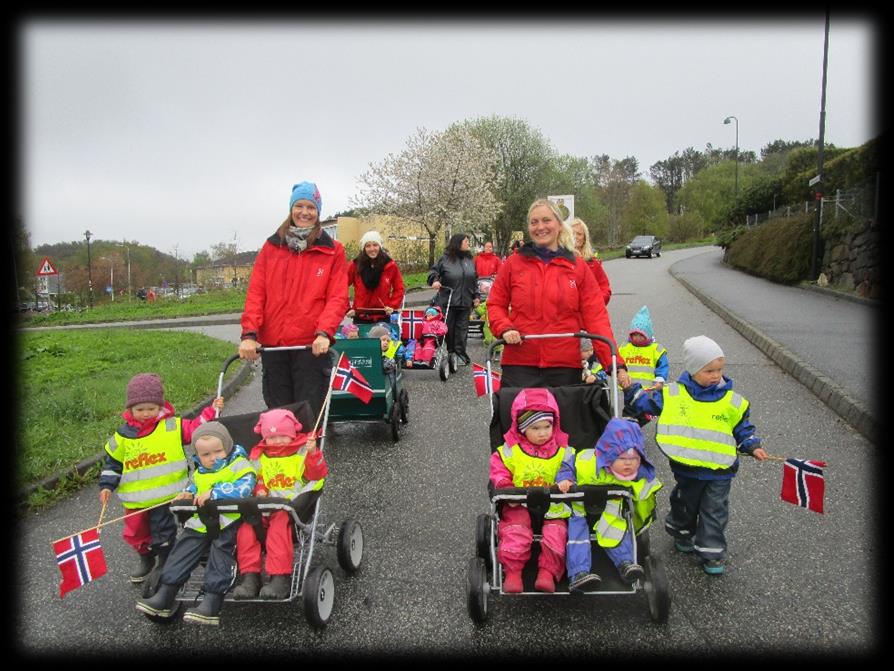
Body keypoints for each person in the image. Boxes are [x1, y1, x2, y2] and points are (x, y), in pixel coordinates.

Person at [623, 335, 768, 575]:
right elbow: (648, 406)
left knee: (714, 510)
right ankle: (681, 530)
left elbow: (742, 427)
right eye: (708, 370)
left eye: (719, 370)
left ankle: (712, 553)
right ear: (691, 370)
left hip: (720, 472)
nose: (715, 375)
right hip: (687, 468)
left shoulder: (732, 402)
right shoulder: (673, 394)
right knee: (685, 503)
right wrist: (630, 390)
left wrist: (752, 445)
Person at [487, 199, 630, 389]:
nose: (540, 227)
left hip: (564, 366)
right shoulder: (513, 264)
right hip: (519, 364)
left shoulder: (578, 267)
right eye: (534, 222)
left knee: (564, 419)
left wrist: (615, 365)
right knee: (520, 418)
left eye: (547, 220)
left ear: (559, 225)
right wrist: (505, 328)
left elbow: (596, 318)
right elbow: (495, 304)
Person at [99, 373, 224, 584]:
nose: (146, 413)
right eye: (140, 409)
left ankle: (165, 563)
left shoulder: (172, 426)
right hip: (136, 501)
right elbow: (112, 464)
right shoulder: (122, 436)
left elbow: (196, 429)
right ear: (130, 410)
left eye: (151, 408)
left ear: (161, 406)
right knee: (136, 535)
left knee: (163, 533)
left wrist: (212, 410)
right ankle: (146, 558)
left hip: (167, 497)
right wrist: (106, 486)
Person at [238, 181, 349, 418]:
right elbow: (256, 293)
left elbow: (338, 297)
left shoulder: (332, 251)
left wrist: (324, 332)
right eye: (299, 206)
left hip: (311, 346)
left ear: (318, 212)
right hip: (274, 345)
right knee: (278, 415)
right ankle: (281, 456)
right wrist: (249, 334)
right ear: (291, 208)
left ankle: (309, 455)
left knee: (309, 413)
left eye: (311, 207)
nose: (305, 212)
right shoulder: (271, 247)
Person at [135, 422, 256, 625]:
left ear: (227, 447)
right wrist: (187, 493)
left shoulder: (240, 464)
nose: (213, 458)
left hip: (230, 520)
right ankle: (166, 592)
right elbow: (193, 487)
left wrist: (216, 492)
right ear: (198, 456)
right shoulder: (200, 472)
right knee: (183, 549)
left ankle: (212, 601)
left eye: (218, 451)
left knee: (220, 552)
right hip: (201, 522)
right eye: (206, 455)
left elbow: (246, 488)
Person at [232, 408, 327, 600]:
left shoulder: (302, 452)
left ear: (292, 434)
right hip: (263, 507)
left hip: (292, 508)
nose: (277, 441)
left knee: (278, 527)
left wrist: (313, 454)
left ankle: (279, 577)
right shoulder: (260, 456)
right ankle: (250, 577)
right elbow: (253, 477)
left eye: (283, 436)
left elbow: (316, 475)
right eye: (272, 437)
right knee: (245, 529)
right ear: (264, 438)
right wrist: (258, 489)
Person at [489, 388, 575, 593]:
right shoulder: (511, 451)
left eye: (547, 426)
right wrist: (505, 486)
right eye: (535, 428)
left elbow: (569, 468)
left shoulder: (563, 451)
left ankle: (547, 572)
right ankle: (513, 572)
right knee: (515, 531)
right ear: (522, 428)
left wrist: (566, 480)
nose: (543, 432)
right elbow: (499, 469)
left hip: (552, 502)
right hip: (519, 502)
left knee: (557, 532)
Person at [566, 418, 663, 592]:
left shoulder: (637, 474)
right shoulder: (586, 462)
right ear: (609, 456)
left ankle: (625, 563)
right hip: (579, 507)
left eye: (634, 459)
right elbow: (568, 466)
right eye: (623, 458)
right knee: (577, 536)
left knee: (617, 528)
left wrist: (640, 523)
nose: (628, 463)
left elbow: (646, 496)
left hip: (611, 507)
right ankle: (579, 573)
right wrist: (564, 480)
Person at [428, 233, 478, 366]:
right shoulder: (444, 259)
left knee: (462, 330)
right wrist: (434, 280)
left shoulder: (469, 260)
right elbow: (433, 272)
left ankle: (460, 354)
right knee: (448, 330)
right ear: (457, 243)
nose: (468, 244)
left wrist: (476, 296)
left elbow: (474, 280)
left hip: (465, 302)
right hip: (448, 301)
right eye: (466, 241)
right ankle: (450, 353)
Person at [347, 230, 406, 325]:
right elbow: (340, 286)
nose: (372, 249)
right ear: (363, 248)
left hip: (383, 317)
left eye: (375, 245)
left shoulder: (390, 265)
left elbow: (399, 288)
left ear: (380, 246)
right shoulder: (355, 265)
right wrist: (347, 308)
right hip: (360, 317)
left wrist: (392, 305)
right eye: (368, 246)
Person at [618, 305, 669, 391]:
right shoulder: (624, 347)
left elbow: (662, 366)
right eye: (634, 335)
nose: (637, 338)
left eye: (641, 335)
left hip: (649, 390)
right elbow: (615, 361)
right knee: (629, 404)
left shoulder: (656, 349)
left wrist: (660, 380)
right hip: (628, 387)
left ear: (648, 335)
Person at [571, 217, 612, 306]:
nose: (575, 237)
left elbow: (604, 288)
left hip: (589, 314)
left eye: (579, 234)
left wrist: (597, 302)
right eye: (572, 233)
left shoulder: (593, 263)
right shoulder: (559, 260)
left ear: (584, 239)